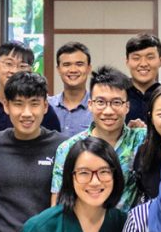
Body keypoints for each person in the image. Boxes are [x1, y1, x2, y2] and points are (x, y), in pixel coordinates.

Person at [0, 72, 63, 232]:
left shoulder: (62, 146)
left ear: (45, 106)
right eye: (18, 104)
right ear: (6, 106)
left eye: (34, 104)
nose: (26, 113)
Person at [51, 66, 147, 212]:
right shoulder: (69, 148)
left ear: (127, 106)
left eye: (116, 103)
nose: (108, 111)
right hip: (82, 230)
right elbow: (58, 204)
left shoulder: (142, 140)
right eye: (101, 102)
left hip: (130, 231)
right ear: (90, 105)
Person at [0, 41, 61, 133]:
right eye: (9, 64)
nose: (14, 71)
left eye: (22, 66)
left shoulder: (39, 107)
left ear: (30, 71)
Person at [49, 41, 94, 141]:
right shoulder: (47, 106)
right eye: (66, 64)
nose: (73, 70)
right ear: (58, 69)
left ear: (89, 68)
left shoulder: (98, 107)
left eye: (79, 64)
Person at [125, 33, 161, 124]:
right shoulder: (117, 95)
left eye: (150, 57)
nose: (143, 64)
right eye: (136, 58)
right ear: (127, 62)